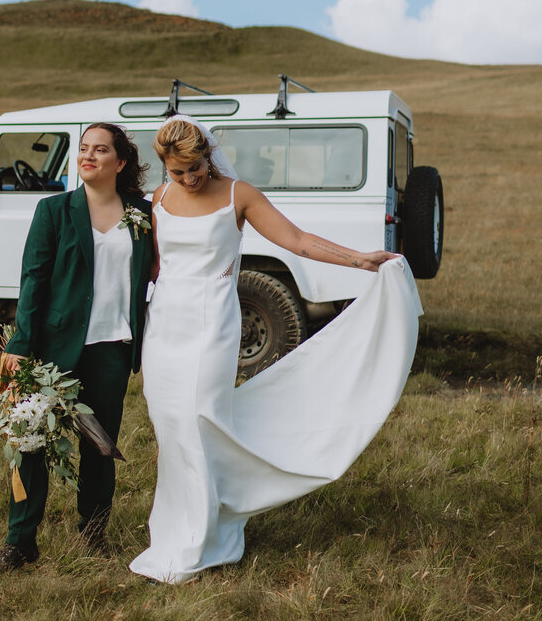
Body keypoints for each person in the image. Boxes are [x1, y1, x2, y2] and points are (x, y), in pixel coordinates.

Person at [129, 115, 422, 585]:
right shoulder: (159, 199)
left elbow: (297, 240)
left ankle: (209, 534)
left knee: (202, 419)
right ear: (166, 167)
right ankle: (173, 532)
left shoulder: (237, 195)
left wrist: (360, 259)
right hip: (165, 325)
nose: (189, 179)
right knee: (171, 428)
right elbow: (155, 266)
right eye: (178, 172)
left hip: (211, 329)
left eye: (196, 168)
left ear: (209, 154)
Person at [0, 124, 153, 571]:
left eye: (100, 150)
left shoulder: (144, 214)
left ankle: (93, 534)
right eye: (83, 149)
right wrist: (21, 344)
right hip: (49, 349)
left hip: (113, 348)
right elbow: (33, 280)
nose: (88, 156)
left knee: (100, 447)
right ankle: (19, 543)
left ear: (120, 163)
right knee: (30, 443)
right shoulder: (54, 211)